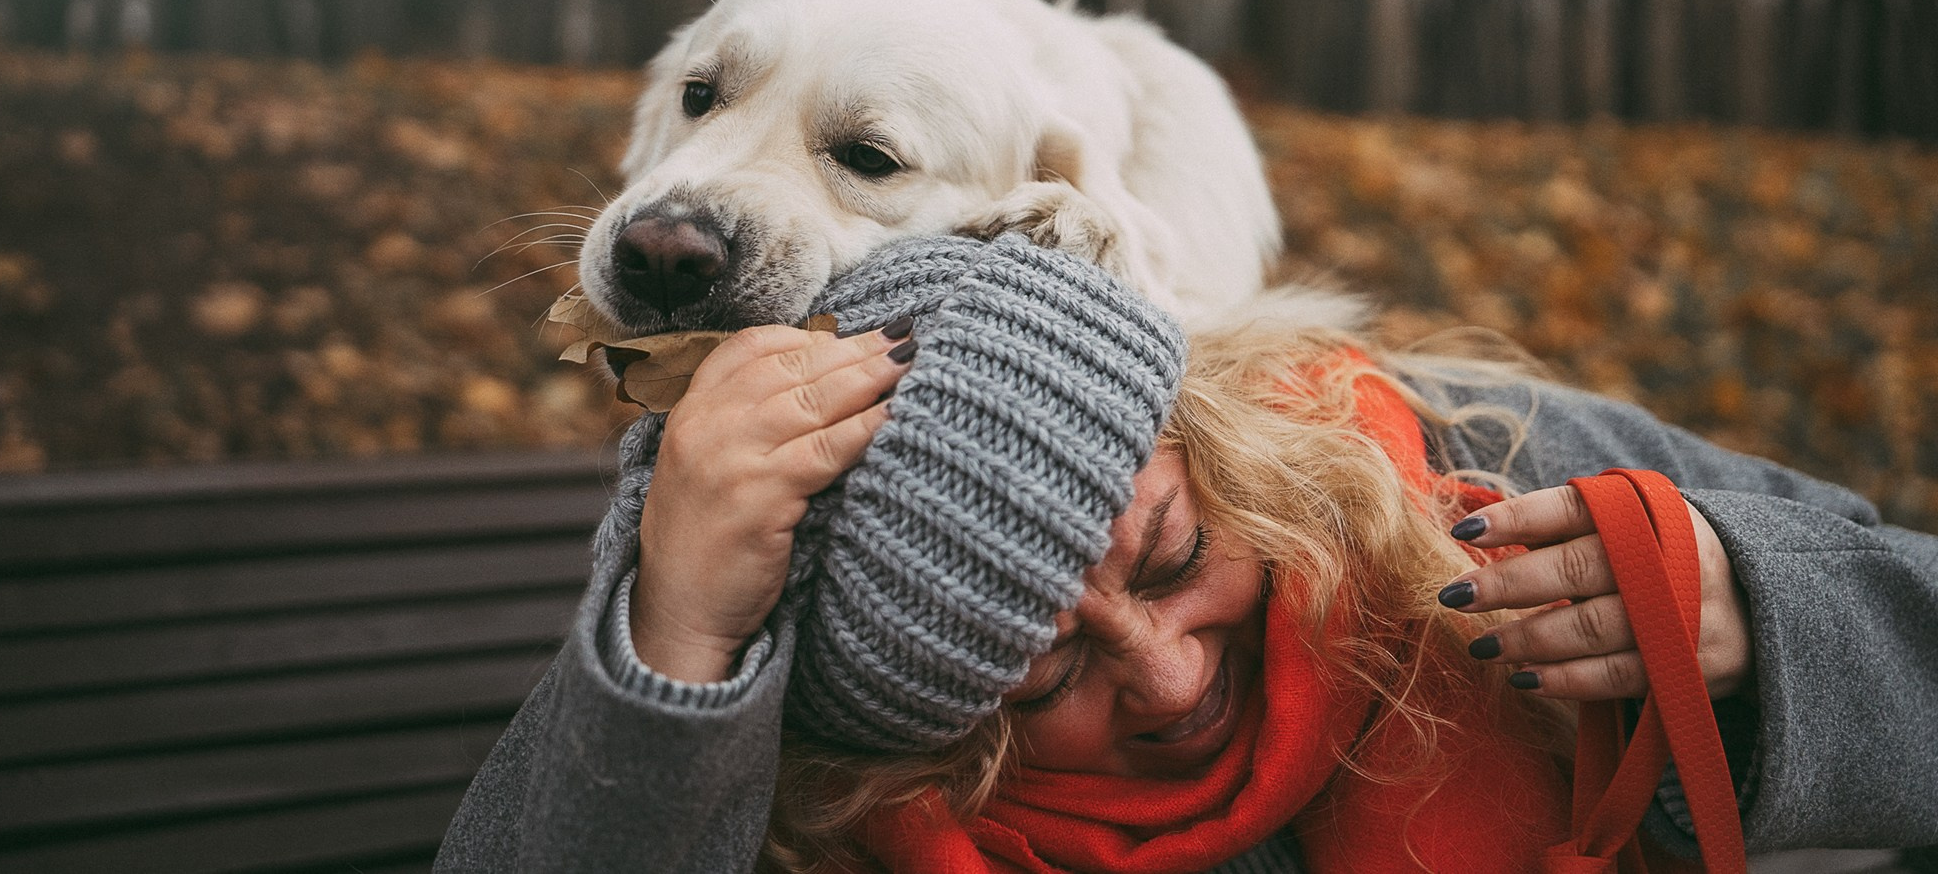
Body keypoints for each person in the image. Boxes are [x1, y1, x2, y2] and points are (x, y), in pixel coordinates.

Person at [435, 235, 1938, 873]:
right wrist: (678, 642)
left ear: (1213, 434)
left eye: (1166, 552)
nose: (1164, 678)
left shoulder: (1474, 463)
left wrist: (1761, 623)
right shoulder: (835, 824)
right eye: (1040, 683)